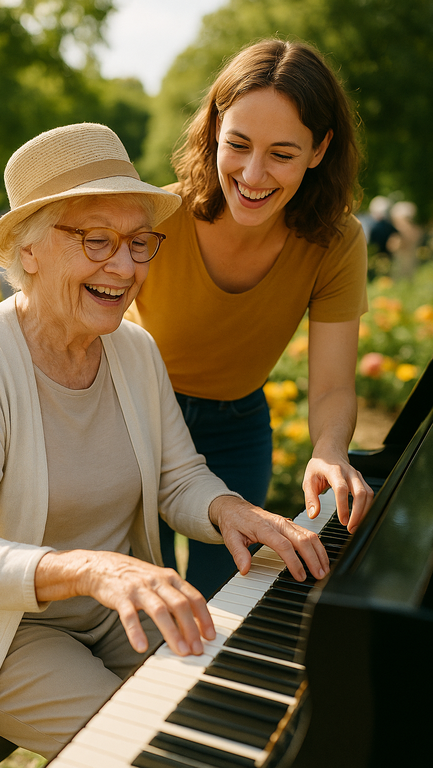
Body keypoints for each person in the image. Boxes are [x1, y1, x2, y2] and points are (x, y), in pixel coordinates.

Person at [0, 123, 330, 760]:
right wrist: (91, 568)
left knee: (234, 709)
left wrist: (232, 510)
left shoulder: (133, 348)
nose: (126, 267)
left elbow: (177, 476)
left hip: (119, 613)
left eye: (140, 244)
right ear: (29, 250)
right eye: (97, 240)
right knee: (161, 752)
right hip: (4, 635)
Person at [127, 38, 374, 599]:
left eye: (282, 154)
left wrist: (329, 449)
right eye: (237, 144)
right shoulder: (155, 218)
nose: (253, 174)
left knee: (223, 601)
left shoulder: (336, 242)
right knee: (144, 601)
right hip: (137, 420)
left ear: (320, 149)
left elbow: (334, 385)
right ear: (215, 128)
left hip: (238, 431)